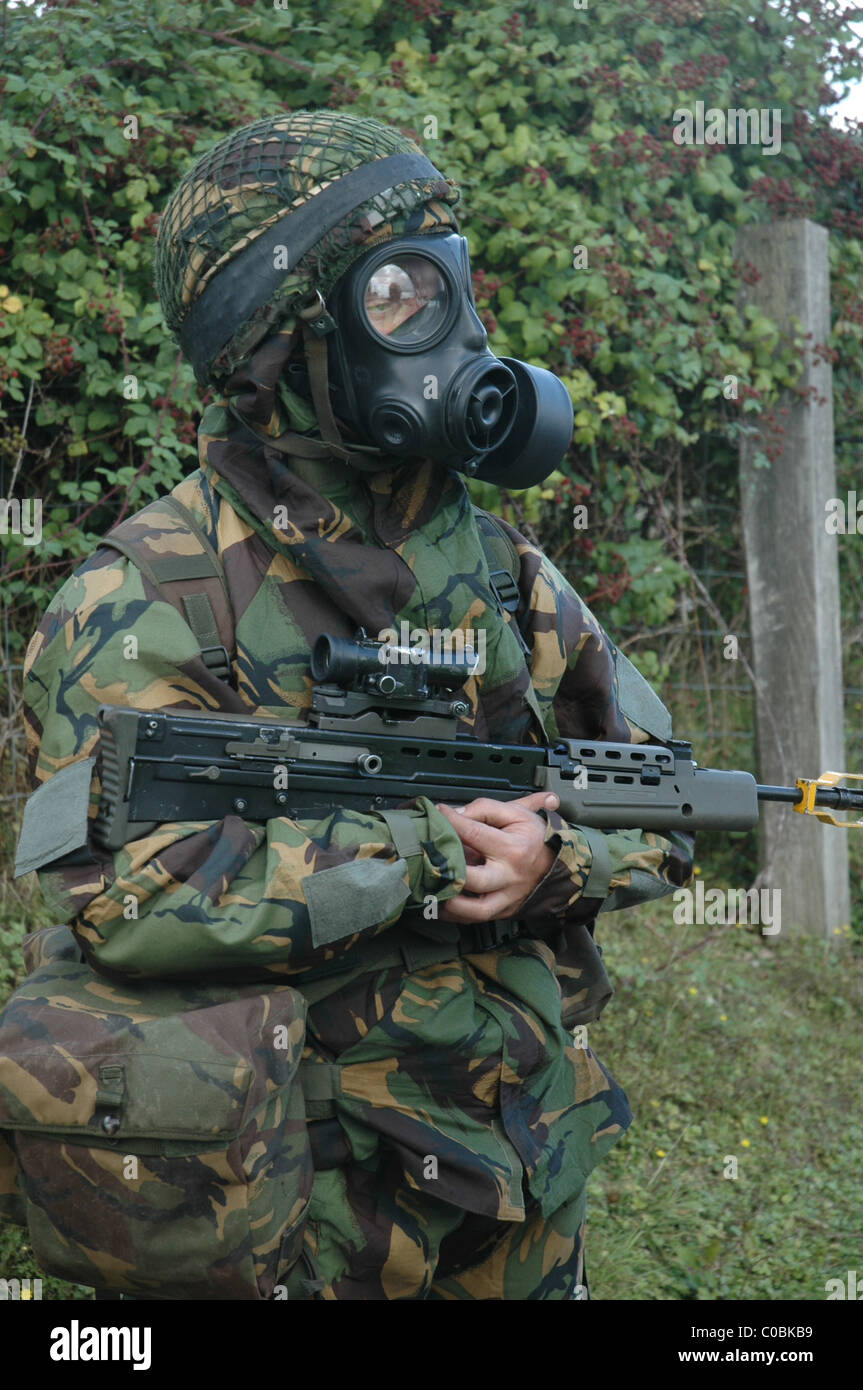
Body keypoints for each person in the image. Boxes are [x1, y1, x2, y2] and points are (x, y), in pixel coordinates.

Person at [18, 110, 694, 1300]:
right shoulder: (142, 594)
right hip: (300, 1213)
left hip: (520, 1182)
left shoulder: (501, 571)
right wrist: (424, 854)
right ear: (284, 347)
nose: (459, 335)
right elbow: (126, 893)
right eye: (398, 296)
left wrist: (558, 858)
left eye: (452, 284)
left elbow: (661, 792)